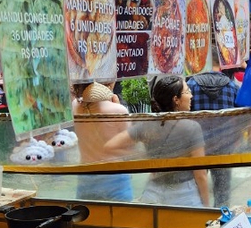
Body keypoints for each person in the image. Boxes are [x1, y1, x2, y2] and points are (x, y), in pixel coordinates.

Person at [105, 75, 209, 207]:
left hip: (153, 194)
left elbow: (110, 146)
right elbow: (201, 175)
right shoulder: (191, 127)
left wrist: (143, 155)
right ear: (176, 99)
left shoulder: (147, 125)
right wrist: (207, 207)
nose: (191, 96)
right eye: (187, 92)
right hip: (183, 196)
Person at [72, 82, 134, 202]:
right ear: (109, 83)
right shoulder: (118, 110)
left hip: (86, 176)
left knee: (88, 218)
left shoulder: (74, 106)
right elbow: (130, 148)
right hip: (115, 178)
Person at [187, 71, 240, 207]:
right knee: (222, 193)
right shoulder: (232, 86)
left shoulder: (190, 85)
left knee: (197, 187)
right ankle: (221, 221)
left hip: (196, 149)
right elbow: (240, 118)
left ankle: (200, 219)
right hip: (224, 147)